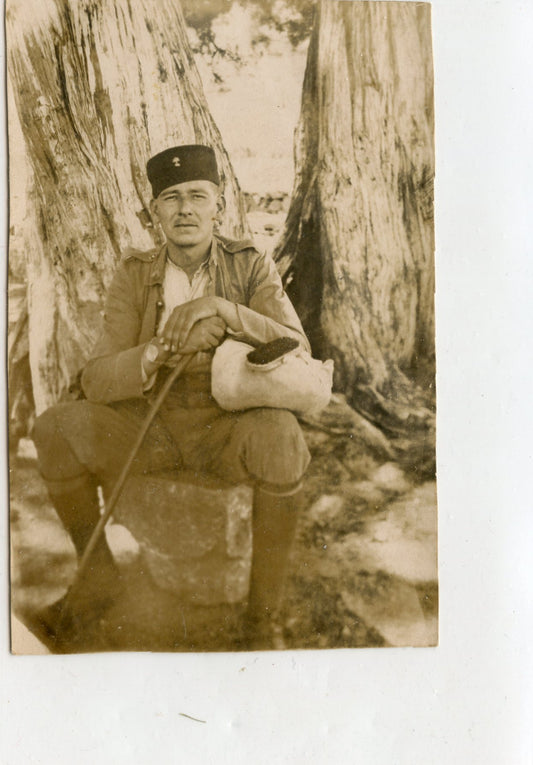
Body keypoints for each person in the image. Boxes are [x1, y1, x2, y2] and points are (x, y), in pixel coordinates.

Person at [31, 145, 311, 651]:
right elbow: (96, 377)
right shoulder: (134, 273)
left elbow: (297, 345)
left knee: (282, 438)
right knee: (53, 429)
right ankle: (97, 582)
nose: (185, 209)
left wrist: (224, 312)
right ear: (153, 212)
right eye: (171, 198)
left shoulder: (251, 266)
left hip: (228, 425)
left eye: (198, 197)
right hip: (149, 427)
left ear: (218, 206)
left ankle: (262, 619)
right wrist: (161, 347)